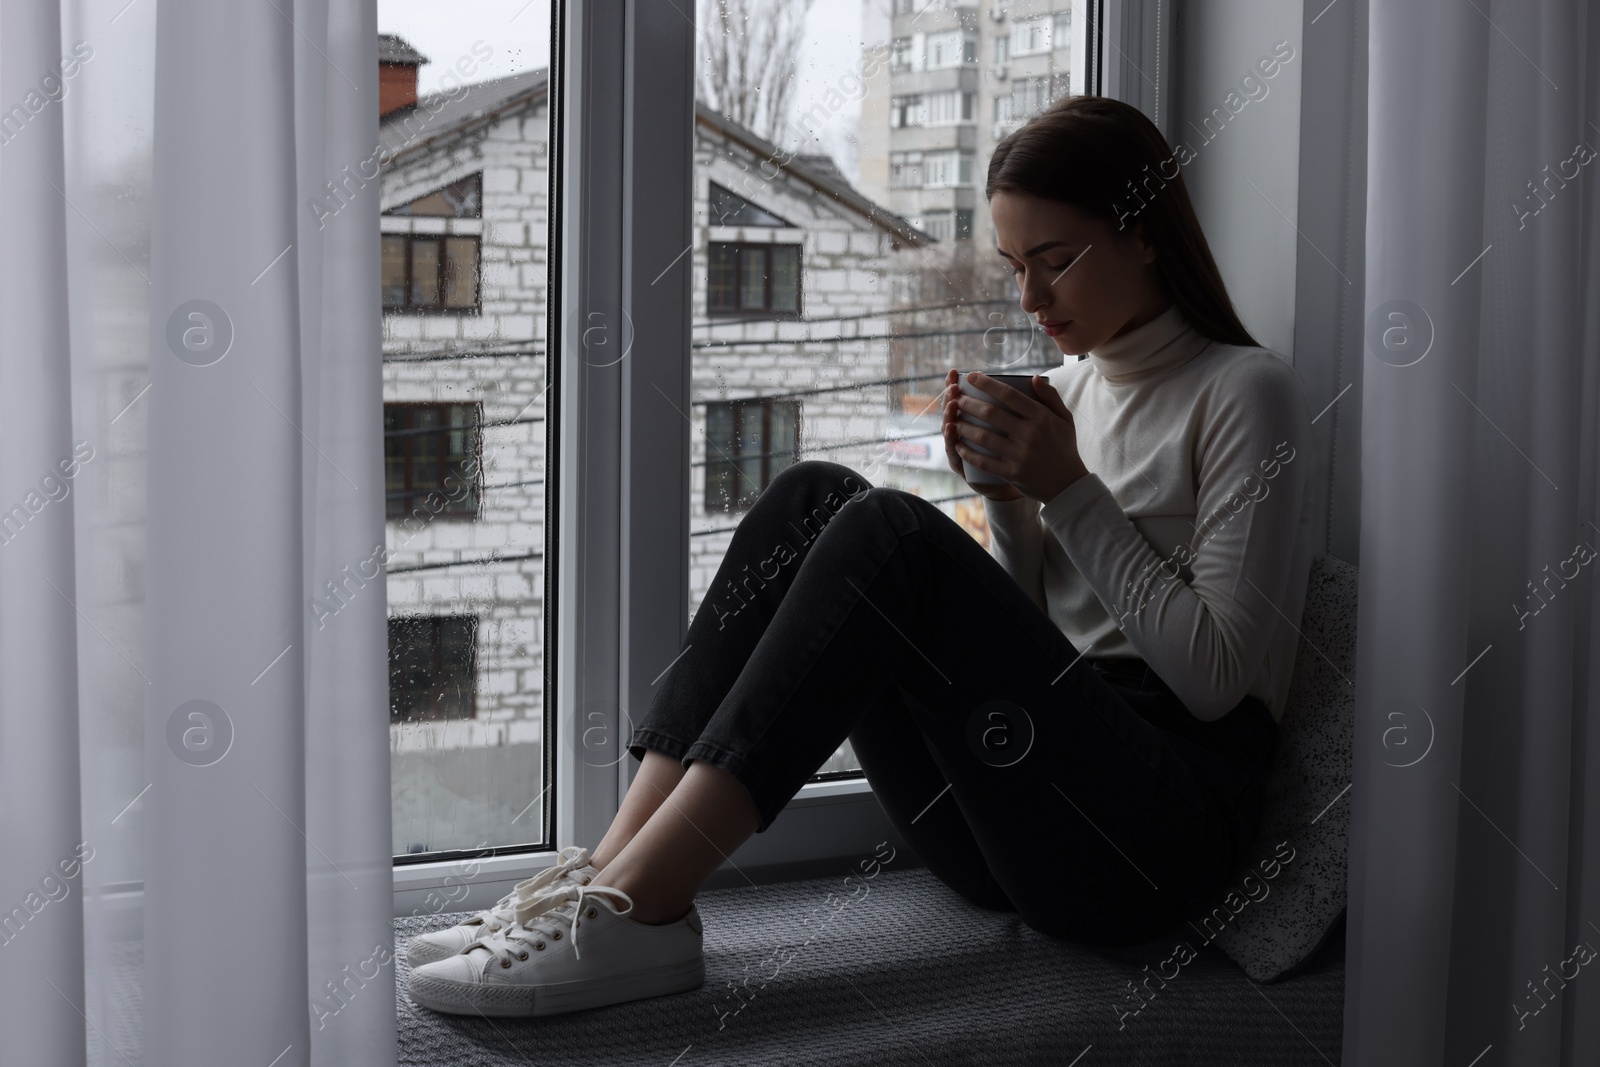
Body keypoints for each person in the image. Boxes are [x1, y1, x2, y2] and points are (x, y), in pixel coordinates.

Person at [405, 94, 1316, 1019]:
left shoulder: (1245, 392)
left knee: (898, 535)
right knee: (813, 497)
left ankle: (642, 906)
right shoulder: (1065, 393)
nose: (1032, 298)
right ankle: (604, 881)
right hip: (1017, 826)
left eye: (1056, 261)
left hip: (1154, 849)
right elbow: (1038, 646)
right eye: (1014, 266)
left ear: (1146, 231)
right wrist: (1009, 503)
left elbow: (1214, 681)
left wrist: (1068, 491)